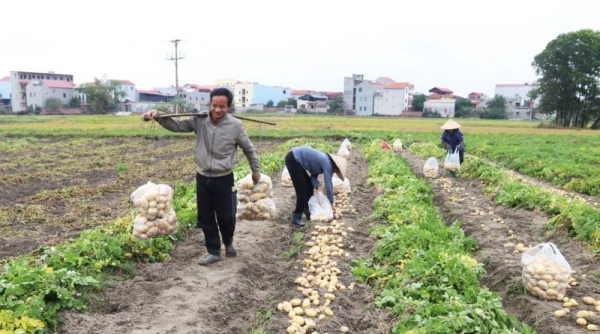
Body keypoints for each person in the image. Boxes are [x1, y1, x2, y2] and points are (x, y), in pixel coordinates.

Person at [141, 88, 261, 266]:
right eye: (214, 105)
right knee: (205, 216)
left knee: (226, 216)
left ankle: (228, 242)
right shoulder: (199, 120)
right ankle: (213, 251)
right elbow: (176, 125)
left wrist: (255, 170)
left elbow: (248, 148)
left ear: (229, 106)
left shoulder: (235, 126)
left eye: (222, 106)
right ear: (210, 104)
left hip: (223, 177)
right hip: (203, 176)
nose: (218, 110)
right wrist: (159, 116)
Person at [284, 146, 347, 227]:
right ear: (336, 167)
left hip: (296, 161)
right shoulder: (327, 163)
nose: (335, 172)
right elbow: (329, 186)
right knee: (302, 190)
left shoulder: (323, 161)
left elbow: (313, 177)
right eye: (337, 171)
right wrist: (330, 203)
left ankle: (308, 211)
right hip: (293, 159)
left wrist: (318, 186)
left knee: (309, 186)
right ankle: (296, 217)